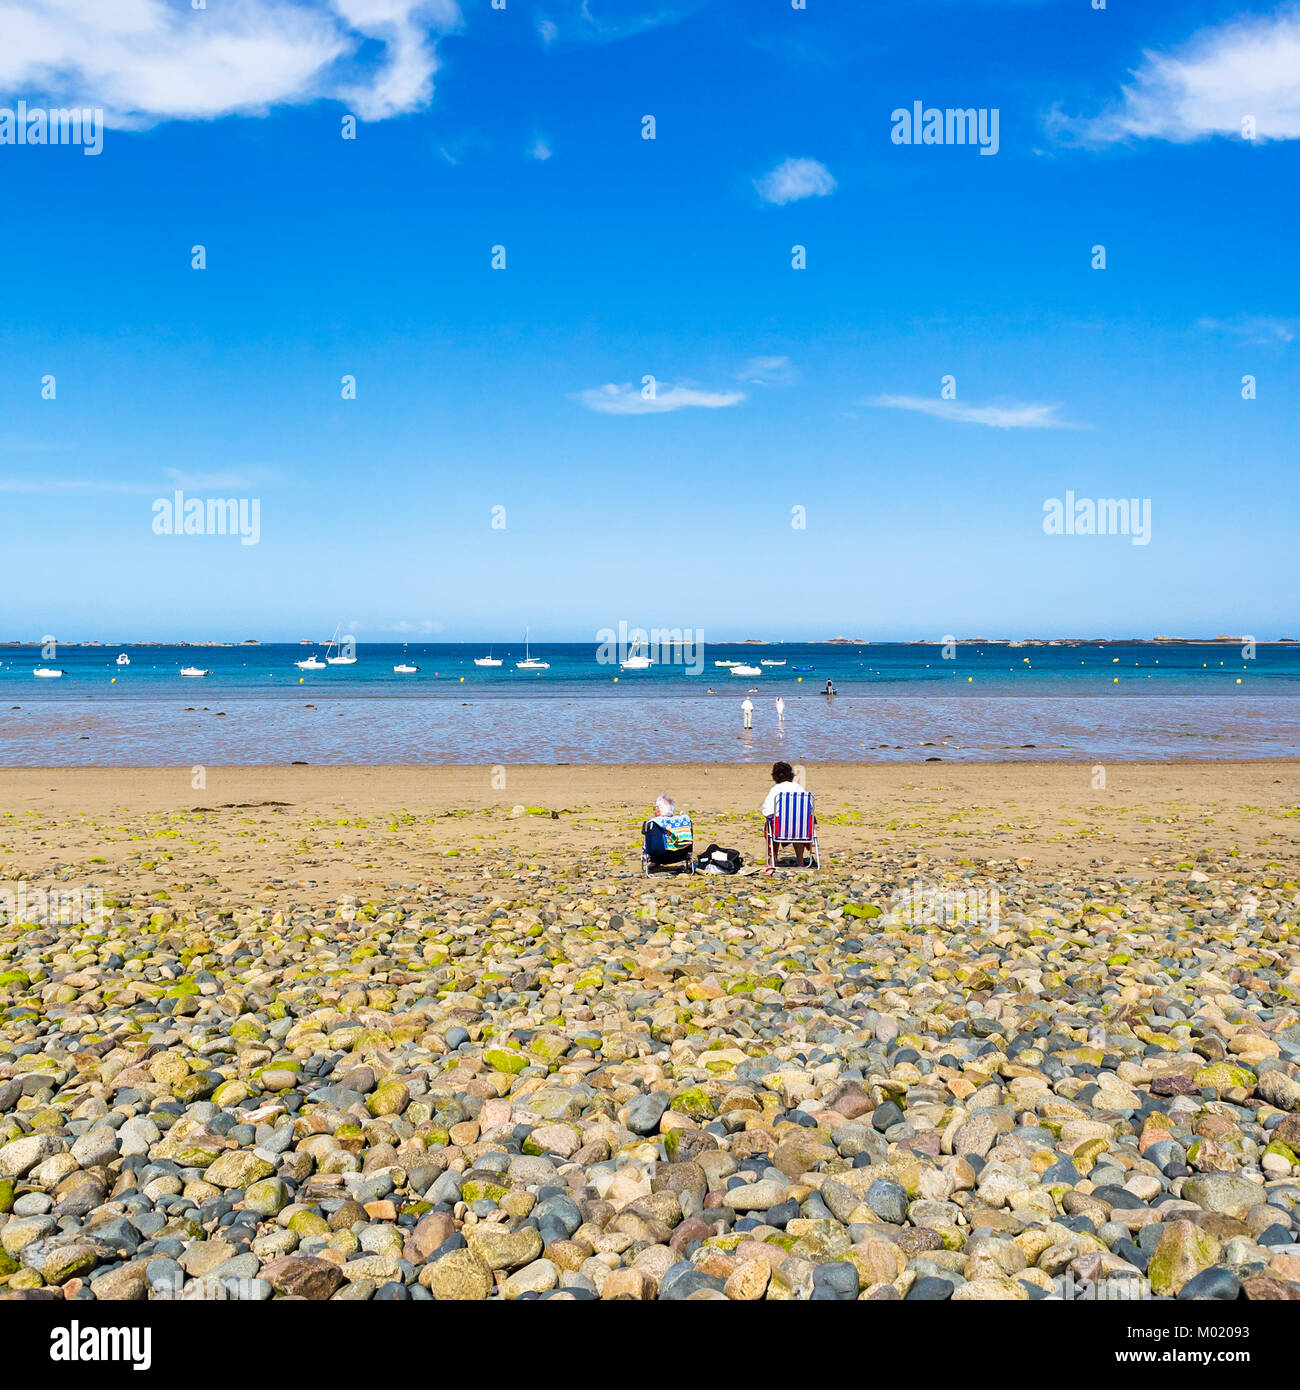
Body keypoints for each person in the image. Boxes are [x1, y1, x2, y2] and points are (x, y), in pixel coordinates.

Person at [762, 760, 811, 871]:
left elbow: (767, 811)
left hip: (780, 829)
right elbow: (809, 808)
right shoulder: (799, 788)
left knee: (770, 825)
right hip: (801, 829)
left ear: (775, 777)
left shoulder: (775, 790)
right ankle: (800, 861)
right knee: (798, 823)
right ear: (791, 775)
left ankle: (773, 859)